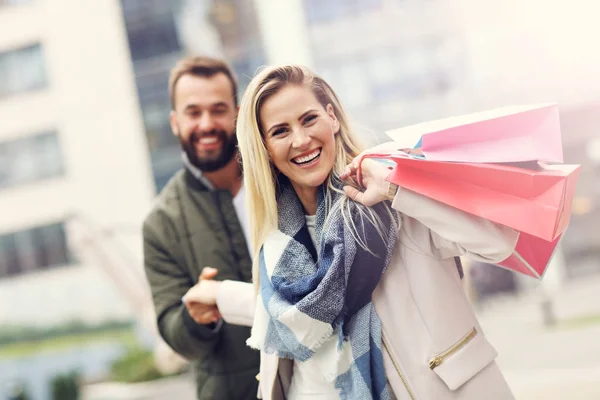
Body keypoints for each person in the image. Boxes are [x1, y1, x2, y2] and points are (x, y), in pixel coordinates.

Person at [232, 65, 520, 400]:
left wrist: (397, 189)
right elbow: (287, 321)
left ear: (332, 117)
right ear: (265, 148)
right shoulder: (277, 245)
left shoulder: (387, 202)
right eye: (280, 131)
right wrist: (218, 296)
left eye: (309, 119)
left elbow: (497, 242)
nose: (301, 140)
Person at [142, 56, 259, 400]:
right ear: (176, 122)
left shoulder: (279, 176)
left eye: (218, 109)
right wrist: (196, 319)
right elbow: (172, 330)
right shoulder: (161, 223)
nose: (206, 124)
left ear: (237, 113)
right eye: (194, 113)